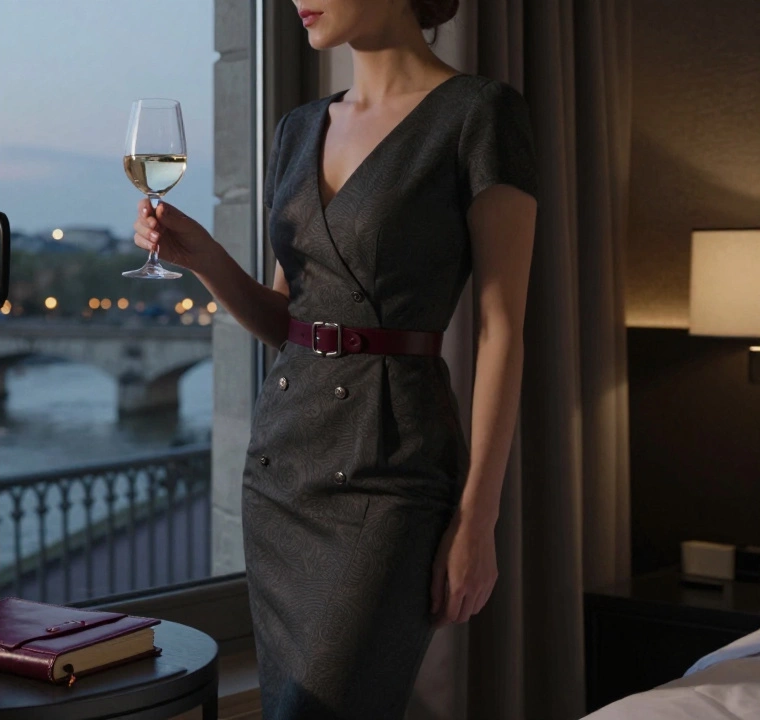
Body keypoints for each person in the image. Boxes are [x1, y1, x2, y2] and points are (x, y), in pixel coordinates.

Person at [131, 0, 538, 716]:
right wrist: (204, 258)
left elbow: (500, 332)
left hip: (392, 473)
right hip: (282, 470)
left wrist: (478, 520)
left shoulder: (479, 114)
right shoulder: (297, 129)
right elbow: (288, 321)